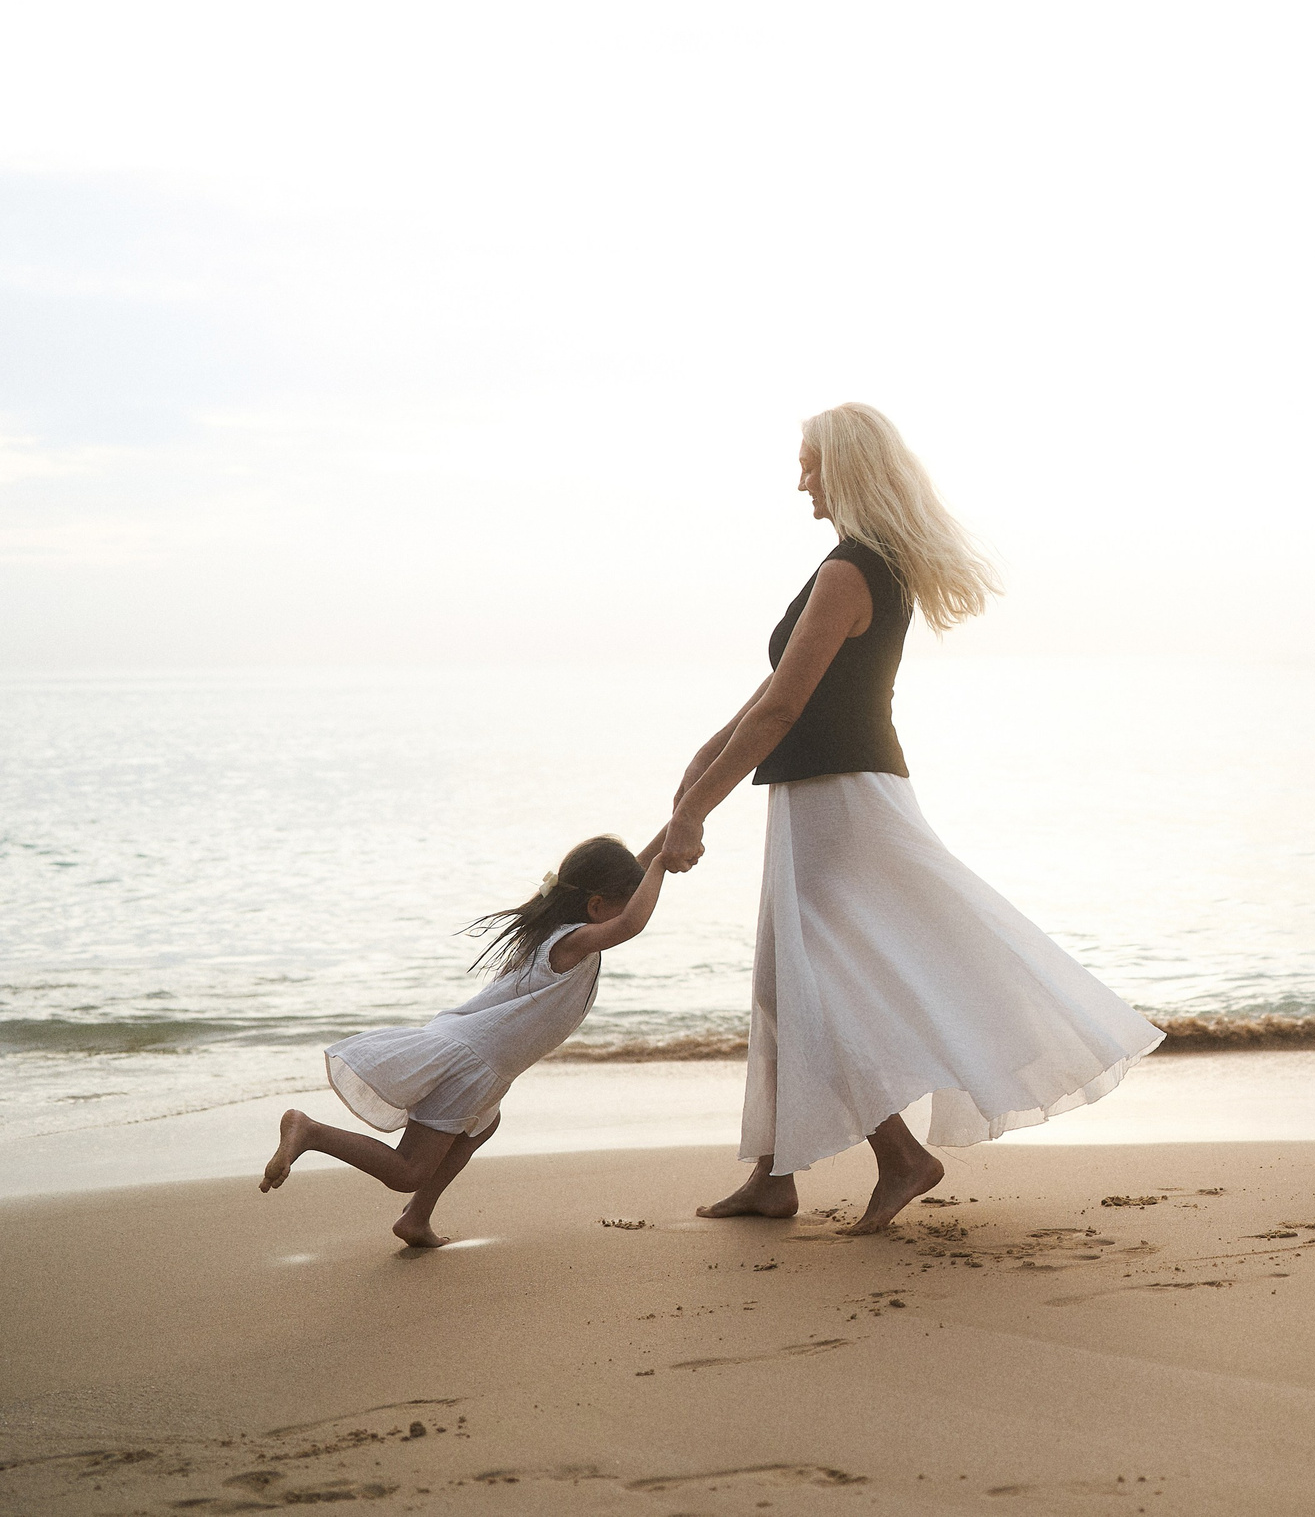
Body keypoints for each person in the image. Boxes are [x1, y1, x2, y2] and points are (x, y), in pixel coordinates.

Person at [669, 402, 1163, 1236]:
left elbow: (784, 707)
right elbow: (771, 695)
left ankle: (898, 1156)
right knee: (786, 983)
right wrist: (698, 770)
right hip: (826, 794)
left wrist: (694, 814)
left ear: (844, 467)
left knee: (809, 985)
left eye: (809, 463)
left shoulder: (848, 572)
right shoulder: (861, 566)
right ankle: (775, 1175)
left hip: (841, 799)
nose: (800, 479)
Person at [259, 831, 669, 1246]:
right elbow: (630, 923)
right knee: (408, 1171)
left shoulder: (558, 929)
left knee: (478, 1130)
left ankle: (416, 1219)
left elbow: (630, 884)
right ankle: (311, 1132)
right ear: (596, 906)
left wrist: (679, 825)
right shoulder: (572, 941)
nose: (634, 905)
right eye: (626, 900)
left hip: (482, 1059)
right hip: (473, 1063)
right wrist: (662, 864)